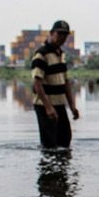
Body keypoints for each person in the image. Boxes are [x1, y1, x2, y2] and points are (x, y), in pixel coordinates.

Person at [31, 20, 80, 149]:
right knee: (49, 144)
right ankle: (48, 167)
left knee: (65, 140)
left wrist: (72, 106)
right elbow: (37, 84)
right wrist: (48, 107)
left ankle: (61, 168)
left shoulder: (61, 54)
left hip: (59, 104)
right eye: (60, 34)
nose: (62, 38)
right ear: (52, 33)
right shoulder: (41, 55)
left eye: (65, 35)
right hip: (44, 105)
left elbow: (66, 83)